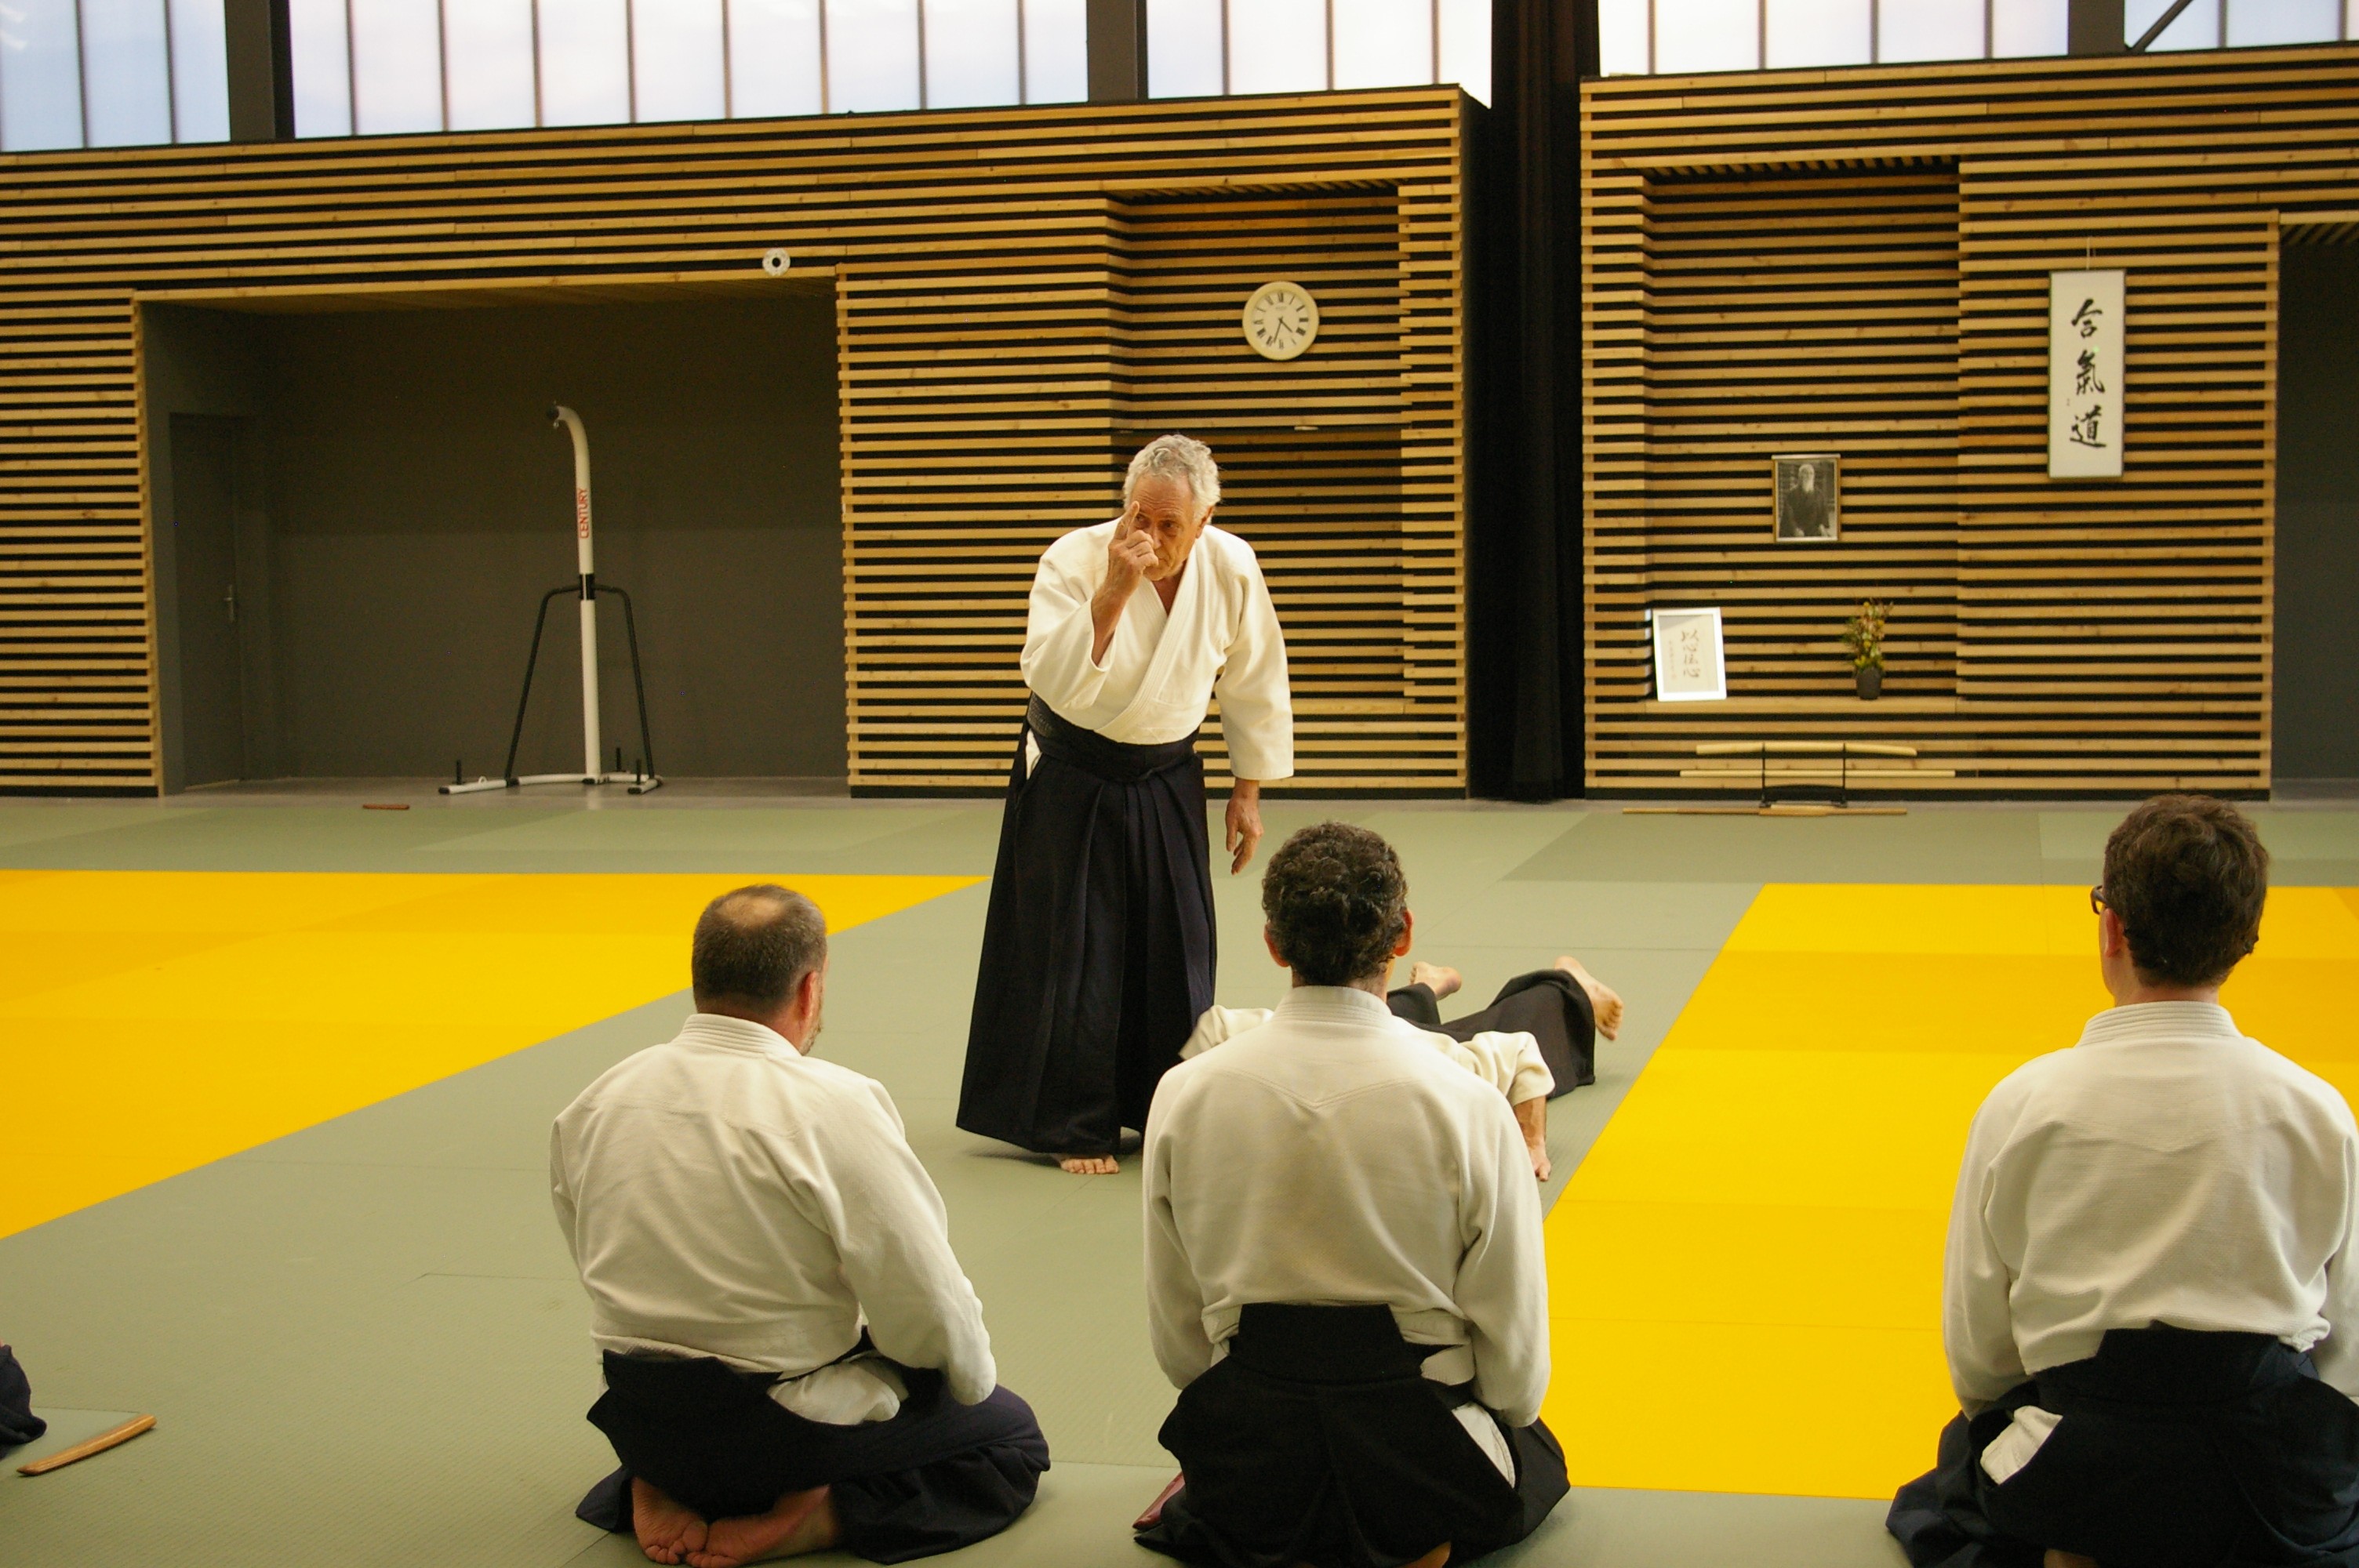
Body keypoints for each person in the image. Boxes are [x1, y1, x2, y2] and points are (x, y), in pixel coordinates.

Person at [1888, 795, 2359, 1568]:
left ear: (2110, 926)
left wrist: (2004, 1413)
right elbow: (2344, 1340)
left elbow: (1978, 1349)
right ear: (2245, 938)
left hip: (2077, 1469)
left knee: (1954, 1476)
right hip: (2268, 1478)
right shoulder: (2314, 1108)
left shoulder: (2024, 1103)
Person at [552, 885, 1049, 1568]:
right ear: (810, 989)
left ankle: (656, 1480)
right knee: (1009, 1439)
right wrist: (964, 1385)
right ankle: (820, 1519)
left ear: (699, 980)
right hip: (769, 1428)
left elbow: (590, 1250)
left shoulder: (598, 1099)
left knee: (735, 1386)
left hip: (638, 1414)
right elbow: (925, 1295)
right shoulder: (831, 1102)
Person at [1138, 822, 1568, 1568]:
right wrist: (1503, 1411)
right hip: (1420, 1437)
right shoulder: (1466, 1103)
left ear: (1274, 945)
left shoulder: (1184, 1092)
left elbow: (1178, 1330)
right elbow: (1515, 1359)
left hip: (1253, 1435)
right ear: (1401, 935)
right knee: (1536, 1455)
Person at [958, 434, 1292, 1176]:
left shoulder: (1231, 563)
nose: (1148, 536)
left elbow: (1254, 676)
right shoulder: (1074, 560)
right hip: (1074, 770)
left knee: (1179, 943)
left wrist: (1247, 790)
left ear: (1206, 517)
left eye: (1169, 524)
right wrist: (1112, 591)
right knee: (1074, 948)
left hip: (1169, 772)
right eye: (1137, 515)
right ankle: (1072, 1123)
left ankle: (1164, 1105)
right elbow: (1046, 677)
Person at [1182, 953, 1624, 1181]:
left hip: (1388, 1033)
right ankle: (1427, 986)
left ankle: (1569, 986)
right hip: (1370, 1021)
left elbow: (1523, 1051)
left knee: (1499, 1027)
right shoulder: (1245, 1034)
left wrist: (1531, 1142)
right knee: (1352, 1002)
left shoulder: (1428, 1061)